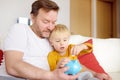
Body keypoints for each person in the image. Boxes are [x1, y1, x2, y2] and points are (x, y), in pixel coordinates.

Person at [0, 0, 79, 80]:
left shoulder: (51, 38)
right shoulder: (20, 29)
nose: (51, 27)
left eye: (54, 22)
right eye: (46, 22)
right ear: (33, 17)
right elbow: (13, 66)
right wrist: (52, 76)